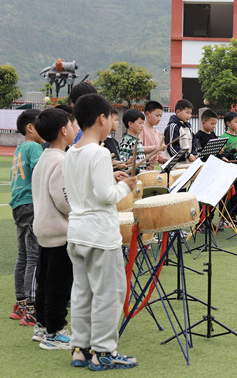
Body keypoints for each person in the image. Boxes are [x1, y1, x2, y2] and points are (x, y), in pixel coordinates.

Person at [63, 94, 138, 369]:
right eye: (111, 117)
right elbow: (106, 196)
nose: (113, 123)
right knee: (110, 292)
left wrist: (112, 178)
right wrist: (126, 185)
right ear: (100, 118)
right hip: (100, 234)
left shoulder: (72, 152)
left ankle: (80, 349)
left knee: (82, 292)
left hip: (77, 231)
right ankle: (104, 351)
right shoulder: (100, 151)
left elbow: (84, 188)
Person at [32, 108, 77, 349]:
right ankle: (55, 332)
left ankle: (41, 326)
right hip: (60, 232)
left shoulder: (45, 157)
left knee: (45, 281)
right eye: (73, 125)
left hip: (44, 228)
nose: (76, 129)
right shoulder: (61, 160)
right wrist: (78, 208)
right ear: (63, 130)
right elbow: (62, 199)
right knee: (58, 284)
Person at [9, 109, 43, 326]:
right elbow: (42, 172)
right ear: (30, 128)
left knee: (23, 255)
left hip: (18, 205)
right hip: (31, 204)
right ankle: (31, 308)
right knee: (33, 256)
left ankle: (20, 303)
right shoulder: (34, 146)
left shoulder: (20, 148)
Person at [220, 112, 237, 226]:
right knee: (228, 193)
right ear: (228, 123)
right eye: (235, 122)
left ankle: (233, 216)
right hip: (228, 167)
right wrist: (234, 150)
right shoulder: (224, 137)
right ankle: (224, 217)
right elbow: (223, 154)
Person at [118, 109, 146, 174]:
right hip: (132, 178)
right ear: (130, 124)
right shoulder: (127, 141)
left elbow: (140, 160)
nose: (142, 126)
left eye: (143, 123)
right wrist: (139, 171)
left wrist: (149, 159)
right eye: (140, 123)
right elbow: (123, 164)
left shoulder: (138, 140)